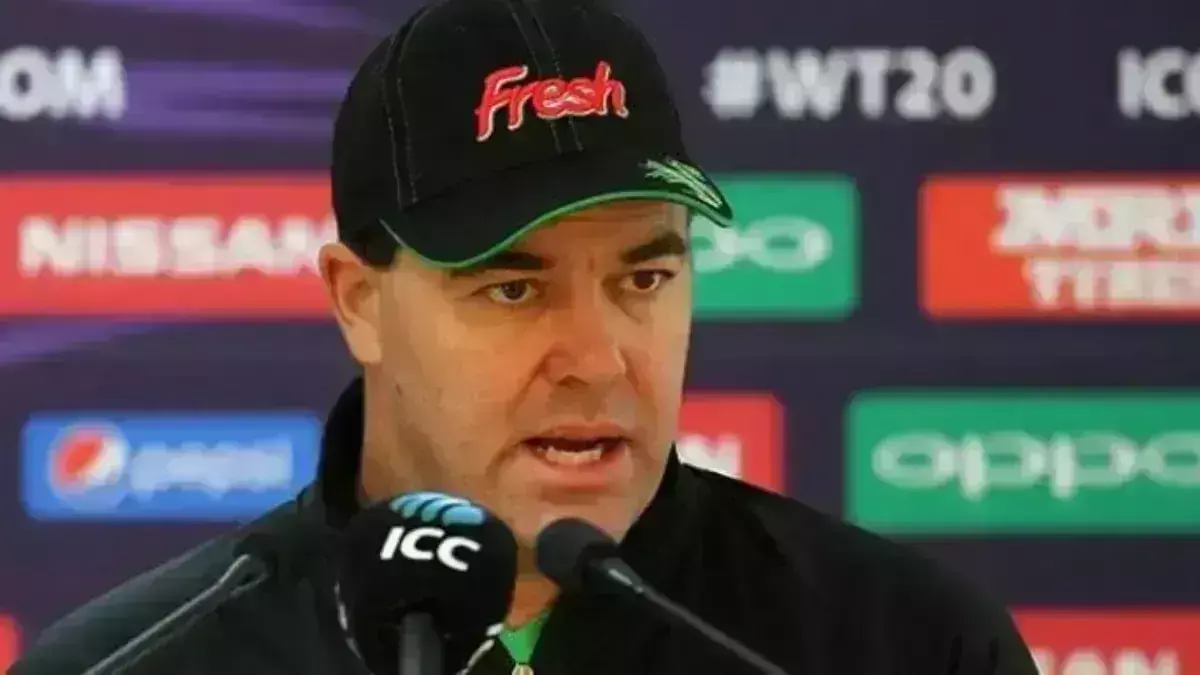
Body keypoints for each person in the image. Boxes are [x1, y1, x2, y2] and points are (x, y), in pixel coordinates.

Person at [11, 0, 1041, 673]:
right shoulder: (131, 664)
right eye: (513, 288)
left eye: (644, 278)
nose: (598, 359)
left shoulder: (907, 645)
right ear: (358, 302)